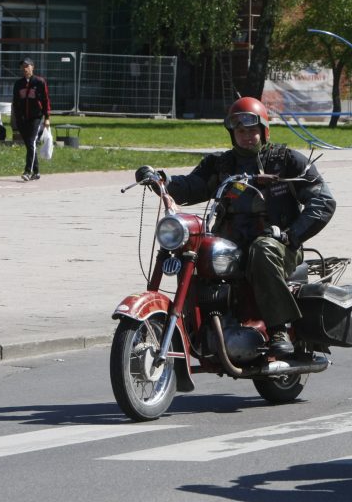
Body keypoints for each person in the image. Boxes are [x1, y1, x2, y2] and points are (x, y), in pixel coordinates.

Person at [135, 97, 336, 356]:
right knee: (195, 248)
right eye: (240, 131)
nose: (247, 136)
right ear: (233, 133)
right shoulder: (221, 165)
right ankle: (196, 325)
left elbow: (323, 201)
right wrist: (161, 180)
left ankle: (278, 329)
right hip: (231, 245)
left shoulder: (286, 161)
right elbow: (191, 185)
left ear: (264, 131)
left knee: (262, 249)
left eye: (252, 130)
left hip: (279, 246)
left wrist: (290, 235)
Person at [12, 58, 51, 181]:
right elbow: (16, 102)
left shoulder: (40, 82)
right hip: (22, 118)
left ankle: (27, 171)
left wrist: (47, 118)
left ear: (32, 67)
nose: (25, 69)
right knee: (29, 145)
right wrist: (17, 118)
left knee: (31, 142)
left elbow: (46, 100)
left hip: (36, 117)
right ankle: (37, 171)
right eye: (22, 66)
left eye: (27, 66)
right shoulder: (18, 84)